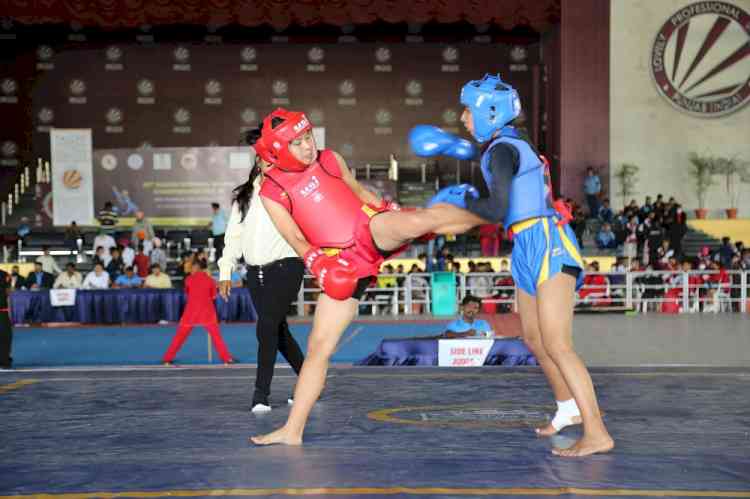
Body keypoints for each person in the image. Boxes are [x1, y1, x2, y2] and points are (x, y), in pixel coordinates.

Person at [249, 108, 485, 446]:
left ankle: (506, 212)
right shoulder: (272, 192)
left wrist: (390, 211)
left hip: (370, 230)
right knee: (318, 348)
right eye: (298, 143)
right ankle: (292, 430)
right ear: (278, 151)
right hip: (343, 264)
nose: (307, 146)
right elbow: (295, 239)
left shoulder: (329, 159)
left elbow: (359, 193)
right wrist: (318, 264)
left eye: (308, 137)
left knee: (420, 220)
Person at [411, 74, 613, 456]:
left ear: (490, 111)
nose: (463, 117)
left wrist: (456, 204)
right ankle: (568, 409)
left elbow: (495, 208)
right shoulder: (505, 144)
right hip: (524, 244)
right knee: (534, 339)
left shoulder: (502, 149)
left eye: (468, 110)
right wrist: (456, 147)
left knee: (558, 343)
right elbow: (491, 163)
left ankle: (597, 431)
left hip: (547, 243)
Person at [218, 134, 307, 412]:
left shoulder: (290, 190)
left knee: (267, 326)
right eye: (265, 157)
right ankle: (311, 380)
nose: (269, 162)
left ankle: (260, 394)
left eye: (275, 157)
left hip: (287, 266)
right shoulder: (244, 195)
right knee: (278, 332)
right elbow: (233, 234)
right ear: (258, 160)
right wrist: (225, 270)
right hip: (254, 274)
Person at [162, 259, 234, 366]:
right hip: (207, 312)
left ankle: (167, 358)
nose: (190, 269)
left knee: (180, 336)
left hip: (191, 312)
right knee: (216, 336)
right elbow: (213, 296)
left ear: (197, 268)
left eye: (191, 267)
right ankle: (226, 358)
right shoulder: (210, 280)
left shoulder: (188, 279)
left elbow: (187, 292)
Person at [0, 268, 13, 369]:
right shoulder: (6, 275)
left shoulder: (6, 275)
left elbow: (8, 293)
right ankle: (4, 361)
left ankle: (4, 360)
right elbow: (8, 294)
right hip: (2, 311)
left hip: (2, 311)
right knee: (5, 337)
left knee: (5, 337)